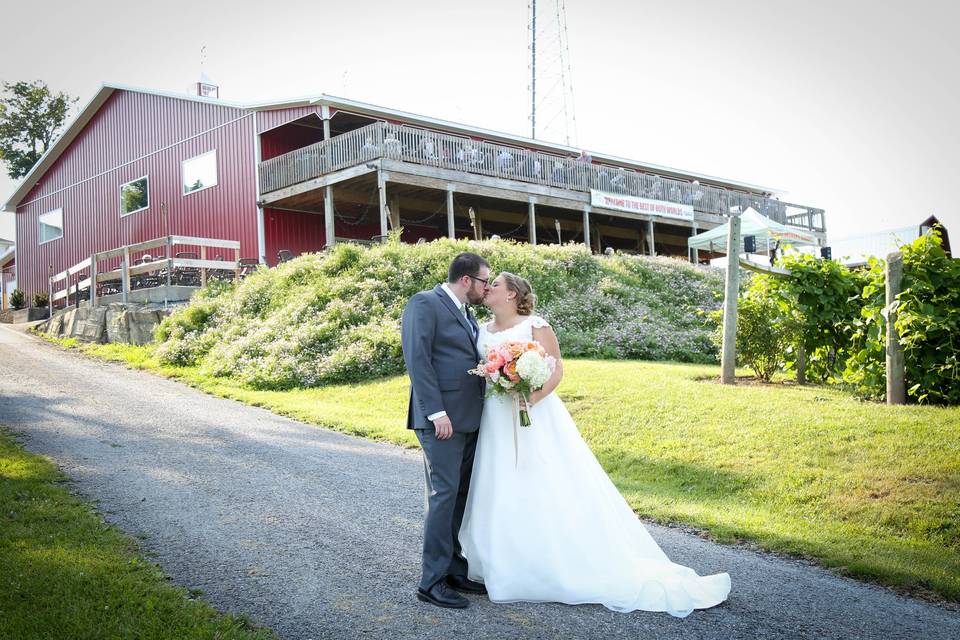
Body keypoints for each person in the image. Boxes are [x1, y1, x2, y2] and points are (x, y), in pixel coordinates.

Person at [459, 272, 731, 617]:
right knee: (498, 480)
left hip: (534, 413)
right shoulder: (482, 330)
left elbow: (556, 368)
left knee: (542, 479)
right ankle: (498, 559)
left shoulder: (535, 325)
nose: (488, 288)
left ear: (512, 294)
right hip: (495, 415)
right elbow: (484, 369)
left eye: (495, 284)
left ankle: (553, 561)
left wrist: (532, 398)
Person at [401, 252, 492, 610]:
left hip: (468, 418)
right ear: (467, 279)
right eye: (485, 281)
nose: (487, 288)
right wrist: (436, 411)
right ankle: (431, 581)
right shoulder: (425, 303)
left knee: (459, 496)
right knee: (443, 495)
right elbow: (417, 359)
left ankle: (454, 569)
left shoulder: (467, 314)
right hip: (441, 421)